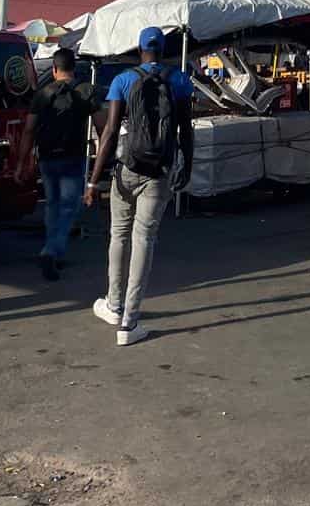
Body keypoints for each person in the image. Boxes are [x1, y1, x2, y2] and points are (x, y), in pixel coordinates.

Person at [83, 26, 194, 348]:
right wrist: (188, 166)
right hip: (160, 171)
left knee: (119, 234)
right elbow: (185, 130)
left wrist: (93, 179)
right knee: (145, 238)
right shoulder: (179, 80)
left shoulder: (123, 79)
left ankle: (114, 306)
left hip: (127, 167)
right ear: (163, 48)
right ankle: (130, 322)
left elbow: (111, 132)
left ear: (140, 48)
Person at [17, 48, 103, 281]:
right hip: (73, 158)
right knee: (69, 207)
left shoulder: (43, 94)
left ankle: (52, 250)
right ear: (73, 69)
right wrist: (101, 150)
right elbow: (103, 126)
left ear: (54, 69)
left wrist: (21, 163)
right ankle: (52, 250)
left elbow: (29, 130)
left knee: (52, 204)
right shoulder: (86, 90)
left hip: (47, 158)